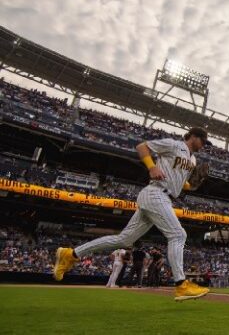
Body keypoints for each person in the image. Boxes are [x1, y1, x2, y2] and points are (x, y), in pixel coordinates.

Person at [53, 127, 212, 301]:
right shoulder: (173, 145)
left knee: (123, 240)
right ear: (194, 137)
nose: (204, 145)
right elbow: (142, 146)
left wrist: (194, 185)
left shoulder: (194, 160)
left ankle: (71, 254)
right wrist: (151, 167)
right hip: (155, 192)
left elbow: (182, 184)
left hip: (163, 197)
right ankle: (181, 285)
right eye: (203, 141)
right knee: (178, 235)